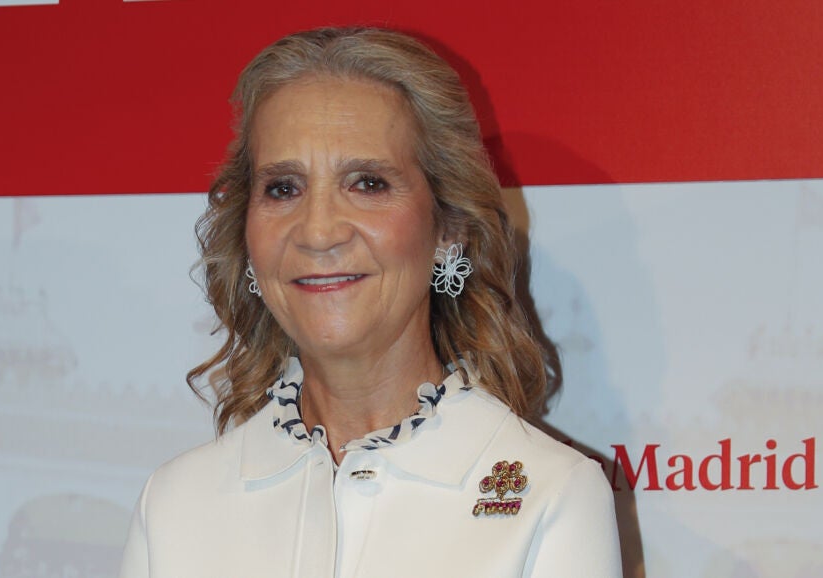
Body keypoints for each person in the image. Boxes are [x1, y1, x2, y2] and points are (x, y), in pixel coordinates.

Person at [119, 27, 622, 577]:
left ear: (448, 229)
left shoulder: (550, 495)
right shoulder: (173, 503)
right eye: (283, 188)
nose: (318, 232)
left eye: (368, 184)